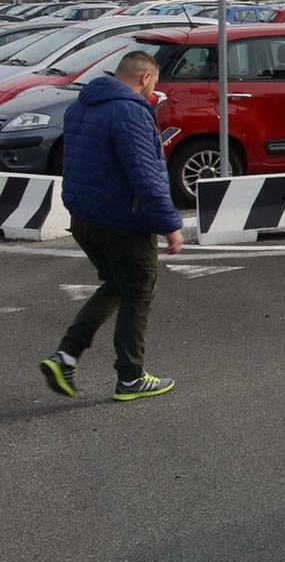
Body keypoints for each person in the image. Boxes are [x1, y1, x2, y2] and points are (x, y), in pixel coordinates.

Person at [39, 50, 184, 402]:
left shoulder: (80, 106)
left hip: (85, 217)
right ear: (146, 78)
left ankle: (66, 356)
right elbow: (145, 175)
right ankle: (131, 378)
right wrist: (170, 224)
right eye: (154, 86)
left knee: (117, 286)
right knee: (137, 292)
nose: (153, 95)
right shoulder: (130, 111)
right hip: (123, 221)